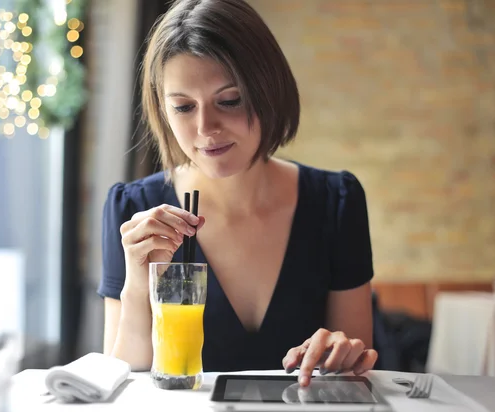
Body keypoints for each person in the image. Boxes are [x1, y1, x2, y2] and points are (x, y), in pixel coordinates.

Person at [98, 0, 378, 387]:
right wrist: (137, 281)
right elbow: (126, 377)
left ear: (268, 90)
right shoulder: (135, 210)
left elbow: (355, 362)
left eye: (229, 101)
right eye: (182, 107)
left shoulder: (336, 203)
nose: (205, 128)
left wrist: (341, 350)